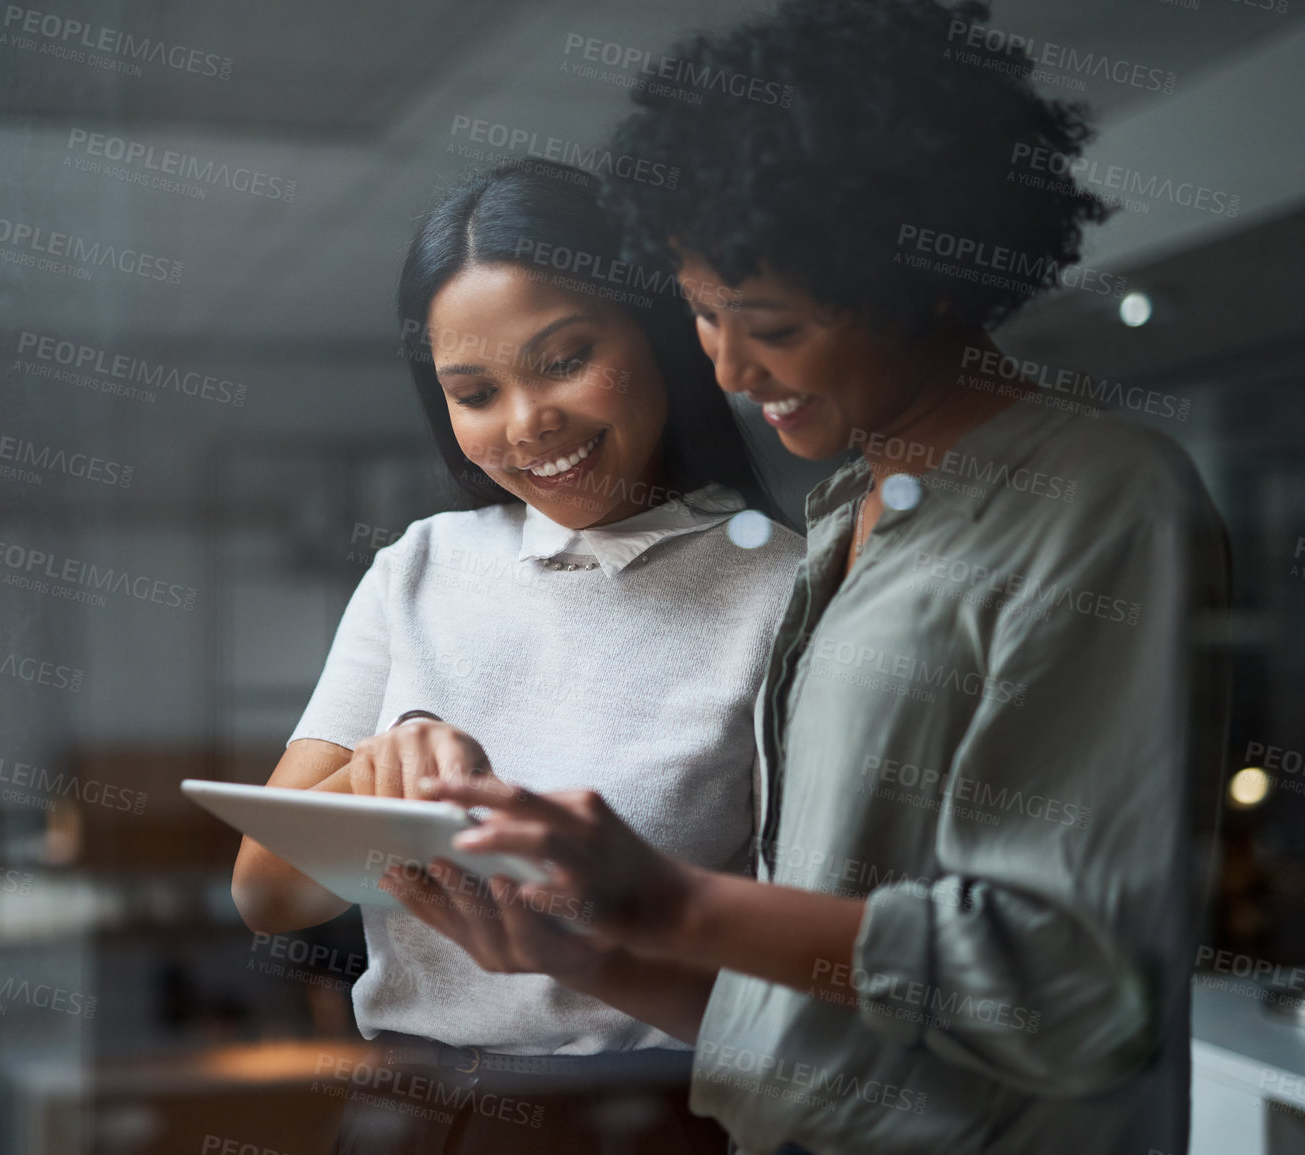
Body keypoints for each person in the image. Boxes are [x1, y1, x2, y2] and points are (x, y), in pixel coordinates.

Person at [374, 3, 1232, 1154]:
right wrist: (591, 955)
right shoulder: (842, 522)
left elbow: (1076, 995)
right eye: (703, 313)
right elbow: (805, 1027)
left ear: (916, 275)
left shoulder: (1101, 501)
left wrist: (676, 901)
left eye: (767, 322)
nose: (728, 367)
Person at [229, 159, 806, 1153]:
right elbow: (267, 894)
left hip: (649, 1118)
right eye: (475, 390)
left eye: (565, 358)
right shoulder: (419, 568)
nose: (527, 422)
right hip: (410, 1118)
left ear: (658, 332)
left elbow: (810, 976)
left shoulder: (784, 592)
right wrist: (382, 775)